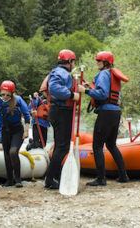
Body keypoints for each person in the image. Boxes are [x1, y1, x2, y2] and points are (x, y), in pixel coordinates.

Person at [78, 51, 129, 186]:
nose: (97, 63)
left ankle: (101, 179)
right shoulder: (113, 75)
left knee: (97, 146)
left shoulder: (103, 74)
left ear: (105, 62)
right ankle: (123, 176)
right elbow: (108, 92)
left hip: (106, 113)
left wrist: (86, 91)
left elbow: (102, 94)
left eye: (99, 60)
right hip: (115, 112)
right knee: (111, 145)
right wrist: (91, 87)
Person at [44, 49, 80, 189]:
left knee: (60, 146)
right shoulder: (60, 72)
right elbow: (54, 88)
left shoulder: (62, 73)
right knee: (62, 147)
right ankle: (50, 179)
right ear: (69, 61)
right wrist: (71, 95)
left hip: (60, 112)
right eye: (73, 62)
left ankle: (55, 176)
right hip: (61, 112)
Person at [0, 80, 30, 188]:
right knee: (6, 155)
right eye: (3, 94)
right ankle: (9, 180)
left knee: (13, 152)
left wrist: (26, 130)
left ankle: (18, 179)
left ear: (12, 93)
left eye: (7, 94)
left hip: (17, 130)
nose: (5, 96)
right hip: (5, 130)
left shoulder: (18, 100)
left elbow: (27, 115)